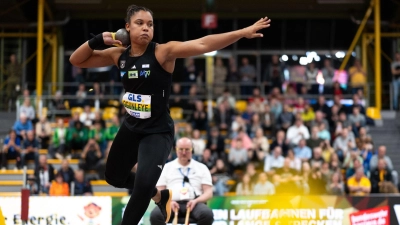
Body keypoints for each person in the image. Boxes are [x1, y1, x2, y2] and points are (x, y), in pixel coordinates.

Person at [69, 5, 270, 225]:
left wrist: (242, 32)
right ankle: (160, 196)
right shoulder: (119, 55)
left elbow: (203, 43)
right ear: (126, 27)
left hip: (157, 131)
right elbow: (77, 60)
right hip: (131, 127)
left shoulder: (162, 52)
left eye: (150, 24)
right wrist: (99, 39)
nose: (146, 28)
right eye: (139, 23)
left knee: (143, 186)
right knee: (113, 177)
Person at [150, 137, 214, 225]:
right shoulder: (166, 167)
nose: (184, 153)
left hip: (194, 203)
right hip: (170, 203)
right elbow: (160, 191)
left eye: (187, 149)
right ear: (176, 149)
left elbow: (208, 192)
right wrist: (169, 202)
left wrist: (196, 201)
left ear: (192, 150)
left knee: (207, 215)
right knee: (155, 215)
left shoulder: (202, 167)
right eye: (181, 149)